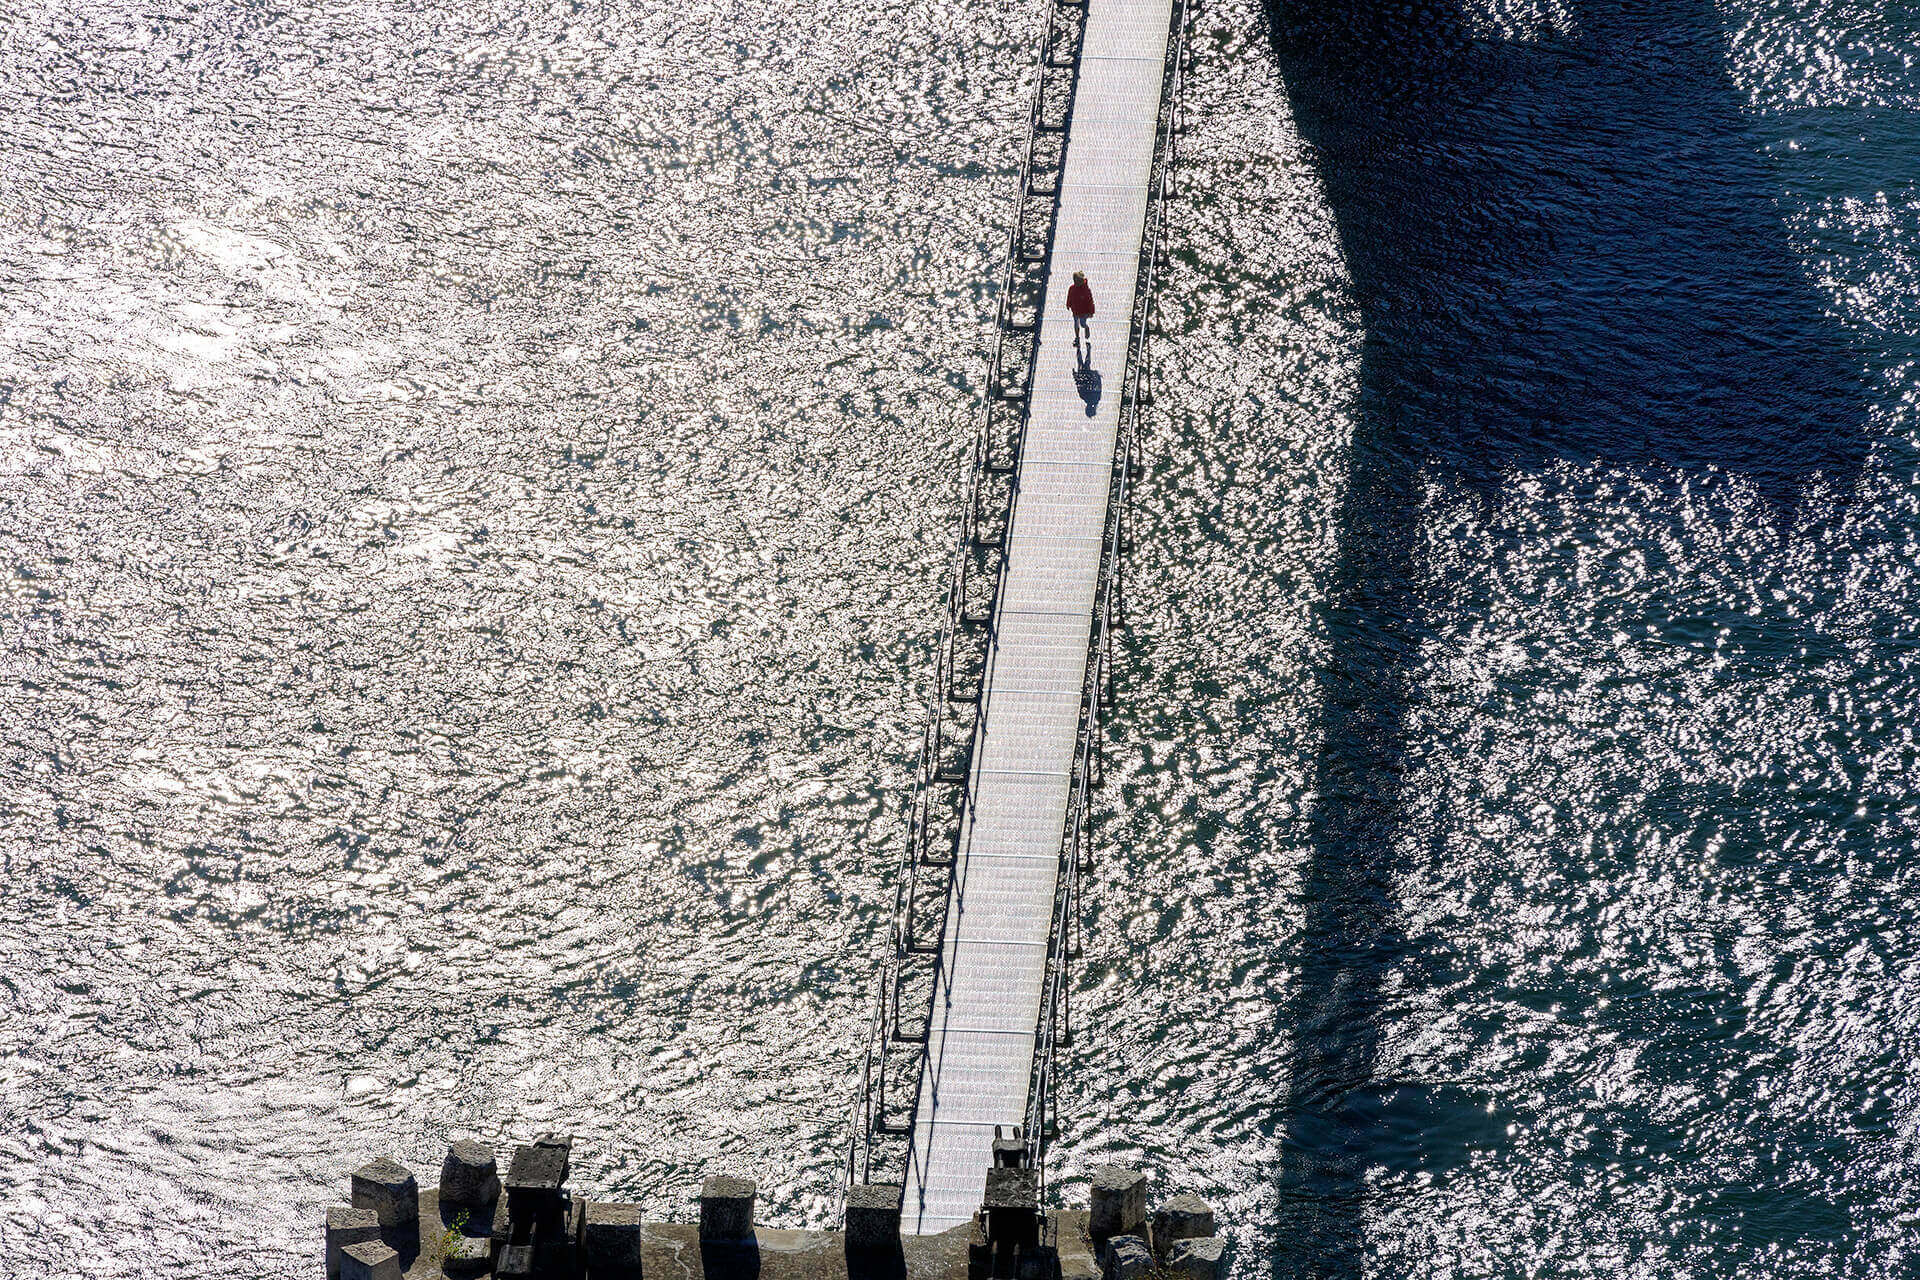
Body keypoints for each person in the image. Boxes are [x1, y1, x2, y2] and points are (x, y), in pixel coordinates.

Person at [1066, 271, 1095, 353]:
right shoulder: (1072, 288)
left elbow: (1090, 301)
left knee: (1082, 324)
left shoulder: (1086, 290)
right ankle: (1077, 338)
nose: (1075, 283)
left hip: (1083, 312)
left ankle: (1086, 327)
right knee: (1076, 324)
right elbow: (1069, 296)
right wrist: (1068, 304)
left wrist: (1091, 311)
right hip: (1075, 310)